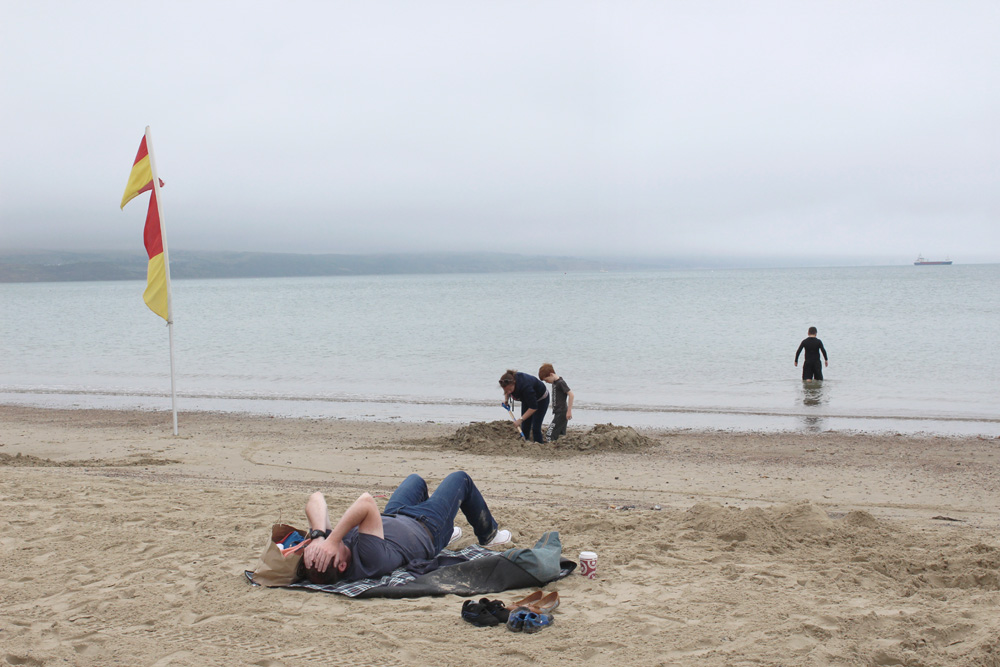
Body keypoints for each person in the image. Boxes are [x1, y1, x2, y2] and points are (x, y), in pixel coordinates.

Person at [301, 471, 511, 585]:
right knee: (460, 479)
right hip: (428, 527)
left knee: (415, 481)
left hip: (397, 514)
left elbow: (315, 498)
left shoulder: (329, 549)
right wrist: (333, 540)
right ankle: (489, 535)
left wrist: (319, 537)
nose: (324, 548)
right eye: (326, 552)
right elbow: (366, 502)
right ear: (341, 566)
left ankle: (450, 532)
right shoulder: (369, 560)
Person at [498, 369, 550, 443]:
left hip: (541, 399)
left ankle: (539, 443)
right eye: (506, 390)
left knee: (535, 427)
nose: (508, 392)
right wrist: (506, 400)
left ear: (514, 383)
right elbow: (506, 390)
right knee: (525, 425)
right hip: (526, 399)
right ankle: (525, 441)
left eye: (510, 389)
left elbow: (533, 407)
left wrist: (519, 420)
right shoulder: (508, 380)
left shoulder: (526, 388)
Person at [538, 363, 574, 441]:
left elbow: (571, 395)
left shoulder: (560, 383)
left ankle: (550, 447)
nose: (546, 382)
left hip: (562, 412)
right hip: (558, 411)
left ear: (551, 374)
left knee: (549, 434)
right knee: (560, 433)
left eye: (546, 380)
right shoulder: (555, 382)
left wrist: (569, 411)